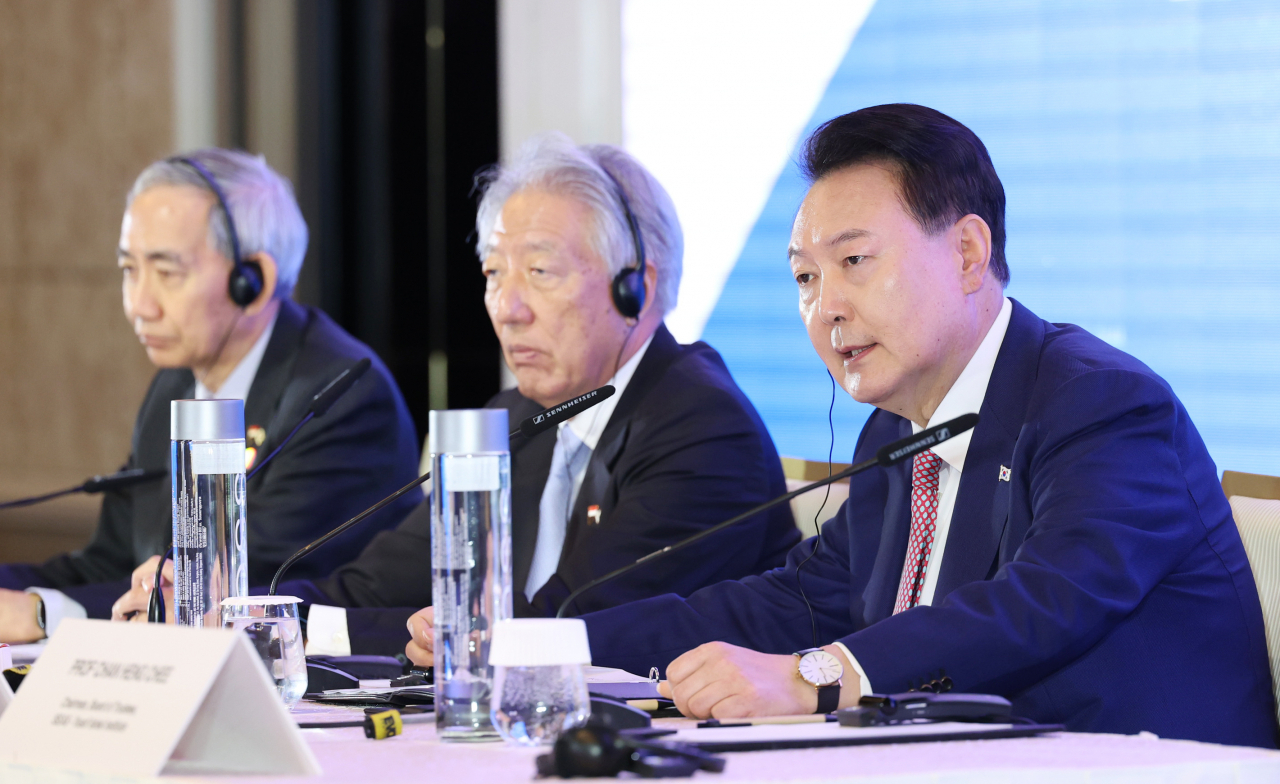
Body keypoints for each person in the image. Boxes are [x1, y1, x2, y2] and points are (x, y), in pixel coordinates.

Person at [406, 106, 1278, 748]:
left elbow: (1040, 603)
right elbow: (788, 599)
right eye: (804, 279)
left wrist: (816, 676)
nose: (826, 308)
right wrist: (540, 645)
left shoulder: (1102, 404)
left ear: (968, 254)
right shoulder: (897, 434)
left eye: (854, 262)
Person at [110, 134, 800, 654]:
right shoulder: (513, 418)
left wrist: (291, 630)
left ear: (636, 288)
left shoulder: (704, 430)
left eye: (539, 271)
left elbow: (556, 633)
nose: (508, 306)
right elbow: (373, 585)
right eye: (494, 272)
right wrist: (237, 611)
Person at [0, 149, 421, 642]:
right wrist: (27, 594)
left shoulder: (340, 397)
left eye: (167, 273)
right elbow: (111, 560)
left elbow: (232, 588)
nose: (139, 304)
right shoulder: (175, 388)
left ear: (252, 282)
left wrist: (47, 613)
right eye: (129, 269)